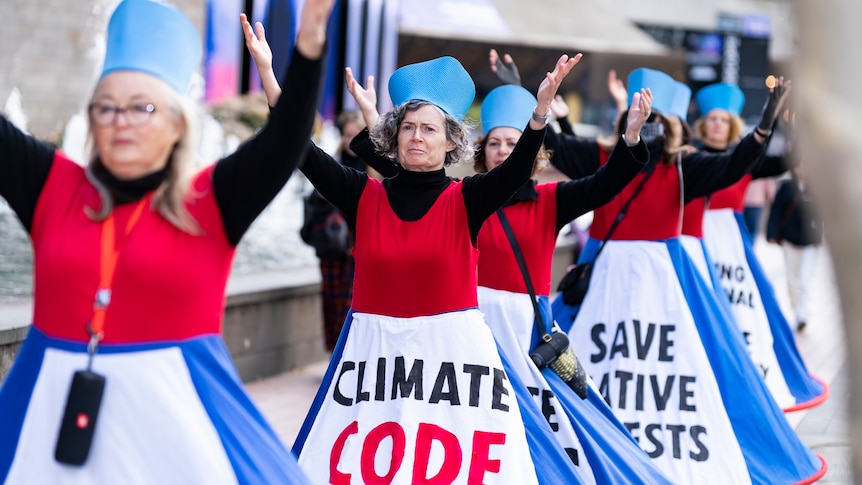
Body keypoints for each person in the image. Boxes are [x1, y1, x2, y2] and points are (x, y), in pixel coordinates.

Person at [0, 0, 333, 482]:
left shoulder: (209, 202)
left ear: (178, 123)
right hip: (46, 411)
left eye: (142, 107)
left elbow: (285, 140)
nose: (121, 120)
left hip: (175, 423)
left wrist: (309, 45)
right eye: (106, 107)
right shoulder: (52, 185)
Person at [288, 51, 587, 482]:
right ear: (393, 137)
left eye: (429, 129)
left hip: (452, 371)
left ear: (450, 141)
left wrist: (539, 112)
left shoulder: (467, 199)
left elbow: (518, 167)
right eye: (407, 127)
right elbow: (304, 152)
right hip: (373, 362)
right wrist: (273, 82)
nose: (416, 137)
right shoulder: (363, 195)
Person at [539, 67, 824, 483]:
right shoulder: (600, 155)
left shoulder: (685, 167)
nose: (649, 126)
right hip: (605, 275)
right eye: (640, 116)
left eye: (658, 119)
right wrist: (540, 106)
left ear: (674, 126)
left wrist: (763, 129)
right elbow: (554, 145)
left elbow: (735, 164)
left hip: (664, 280)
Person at [470, 83, 674, 483]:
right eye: (493, 142)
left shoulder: (551, 199)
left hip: (527, 329)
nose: (501, 150)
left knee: (549, 420)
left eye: (512, 141)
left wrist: (630, 136)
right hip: (473, 324)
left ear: (531, 150)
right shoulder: (464, 197)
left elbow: (605, 183)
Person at [697, 82, 827, 412]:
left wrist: (787, 118)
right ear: (702, 123)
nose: (717, 125)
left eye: (724, 120)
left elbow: (785, 160)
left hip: (731, 246)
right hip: (694, 240)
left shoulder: (746, 159)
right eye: (712, 119)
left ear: (732, 126)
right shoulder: (690, 156)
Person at [299, 110, 367, 352]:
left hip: (359, 248)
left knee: (353, 303)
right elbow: (315, 199)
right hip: (332, 246)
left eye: (355, 134)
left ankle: (353, 353)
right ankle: (336, 355)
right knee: (332, 302)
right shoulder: (335, 160)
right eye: (347, 135)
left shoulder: (374, 169)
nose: (350, 140)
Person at [766, 162, 824, 332]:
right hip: (790, 239)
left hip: (810, 241)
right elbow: (776, 210)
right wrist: (771, 233)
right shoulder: (786, 187)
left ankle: (802, 314)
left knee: (806, 278)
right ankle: (795, 309)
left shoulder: (818, 188)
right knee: (792, 280)